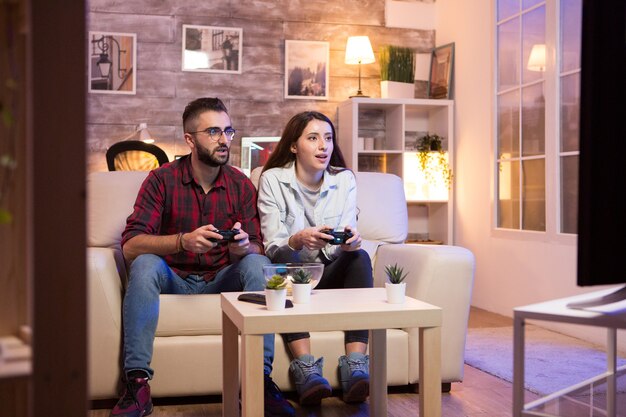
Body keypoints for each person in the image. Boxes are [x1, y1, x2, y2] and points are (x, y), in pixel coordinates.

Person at [110, 97, 295, 417]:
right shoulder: (161, 180)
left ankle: (258, 380)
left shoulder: (240, 184)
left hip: (223, 278)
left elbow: (257, 246)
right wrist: (182, 241)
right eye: (213, 132)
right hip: (174, 278)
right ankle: (137, 384)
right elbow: (130, 246)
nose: (224, 140)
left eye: (228, 131)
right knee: (144, 264)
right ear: (189, 139)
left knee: (258, 263)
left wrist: (242, 248)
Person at [256, 111, 373, 406]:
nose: (324, 146)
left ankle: (356, 366)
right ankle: (306, 369)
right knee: (280, 269)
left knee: (359, 258)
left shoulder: (344, 179)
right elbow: (272, 244)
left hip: (329, 268)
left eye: (328, 138)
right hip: (293, 271)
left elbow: (345, 236)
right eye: (313, 138)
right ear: (294, 146)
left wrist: (349, 243)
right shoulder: (272, 179)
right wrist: (296, 240)